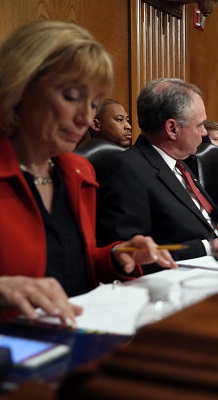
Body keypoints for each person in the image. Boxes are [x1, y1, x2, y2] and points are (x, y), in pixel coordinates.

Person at [0, 20, 175, 325]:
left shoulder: (78, 172)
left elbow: (70, 267)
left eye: (94, 104)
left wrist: (116, 255)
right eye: (71, 96)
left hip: (77, 335)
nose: (85, 117)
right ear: (20, 86)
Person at [96, 78, 218, 261]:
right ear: (172, 128)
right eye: (199, 125)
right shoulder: (127, 169)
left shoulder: (181, 165)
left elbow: (204, 226)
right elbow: (129, 256)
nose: (204, 132)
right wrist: (209, 247)